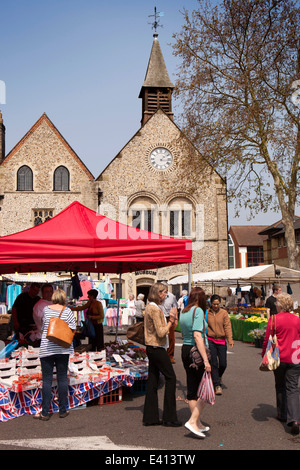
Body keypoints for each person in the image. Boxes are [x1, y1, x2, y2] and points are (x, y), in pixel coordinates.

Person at [143, 282, 180, 427]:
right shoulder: (156, 309)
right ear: (158, 293)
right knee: (171, 378)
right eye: (164, 292)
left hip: (150, 347)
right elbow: (161, 332)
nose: (166, 295)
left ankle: (150, 416)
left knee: (152, 380)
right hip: (157, 347)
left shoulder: (149, 307)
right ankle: (169, 417)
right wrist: (171, 321)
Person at [262, 293, 300, 434]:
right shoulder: (297, 319)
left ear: (280, 305)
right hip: (295, 357)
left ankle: (282, 414)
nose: (276, 305)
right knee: (293, 388)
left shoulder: (274, 319)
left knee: (280, 385)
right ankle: (295, 418)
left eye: (277, 303)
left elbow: (267, 339)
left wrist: (263, 355)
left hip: (279, 357)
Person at [35, 288, 76, 420]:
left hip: (47, 348)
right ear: (64, 299)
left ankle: (45, 412)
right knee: (62, 378)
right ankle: (63, 410)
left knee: (47, 380)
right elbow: (73, 329)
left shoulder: (46, 310)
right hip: (63, 349)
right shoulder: (68, 311)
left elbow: (43, 327)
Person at [179, 287, 211, 438]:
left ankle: (196, 422)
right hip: (195, 351)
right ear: (202, 298)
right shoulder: (197, 311)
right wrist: (206, 360)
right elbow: (198, 336)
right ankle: (193, 421)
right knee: (204, 389)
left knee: (192, 388)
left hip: (185, 349)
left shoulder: (184, 311)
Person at [207, 294, 234, 395]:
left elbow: (227, 326)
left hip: (221, 341)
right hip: (210, 340)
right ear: (211, 303)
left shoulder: (224, 313)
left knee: (223, 363)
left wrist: (230, 339)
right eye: (214, 304)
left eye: (218, 304)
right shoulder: (207, 313)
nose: (216, 306)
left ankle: (217, 376)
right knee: (214, 363)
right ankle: (217, 385)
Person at [159, 283, 178, 364]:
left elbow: (175, 307)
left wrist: (176, 319)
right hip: (159, 318)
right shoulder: (156, 296)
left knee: (171, 337)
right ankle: (161, 356)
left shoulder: (171, 296)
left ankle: (170, 356)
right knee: (160, 336)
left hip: (168, 317)